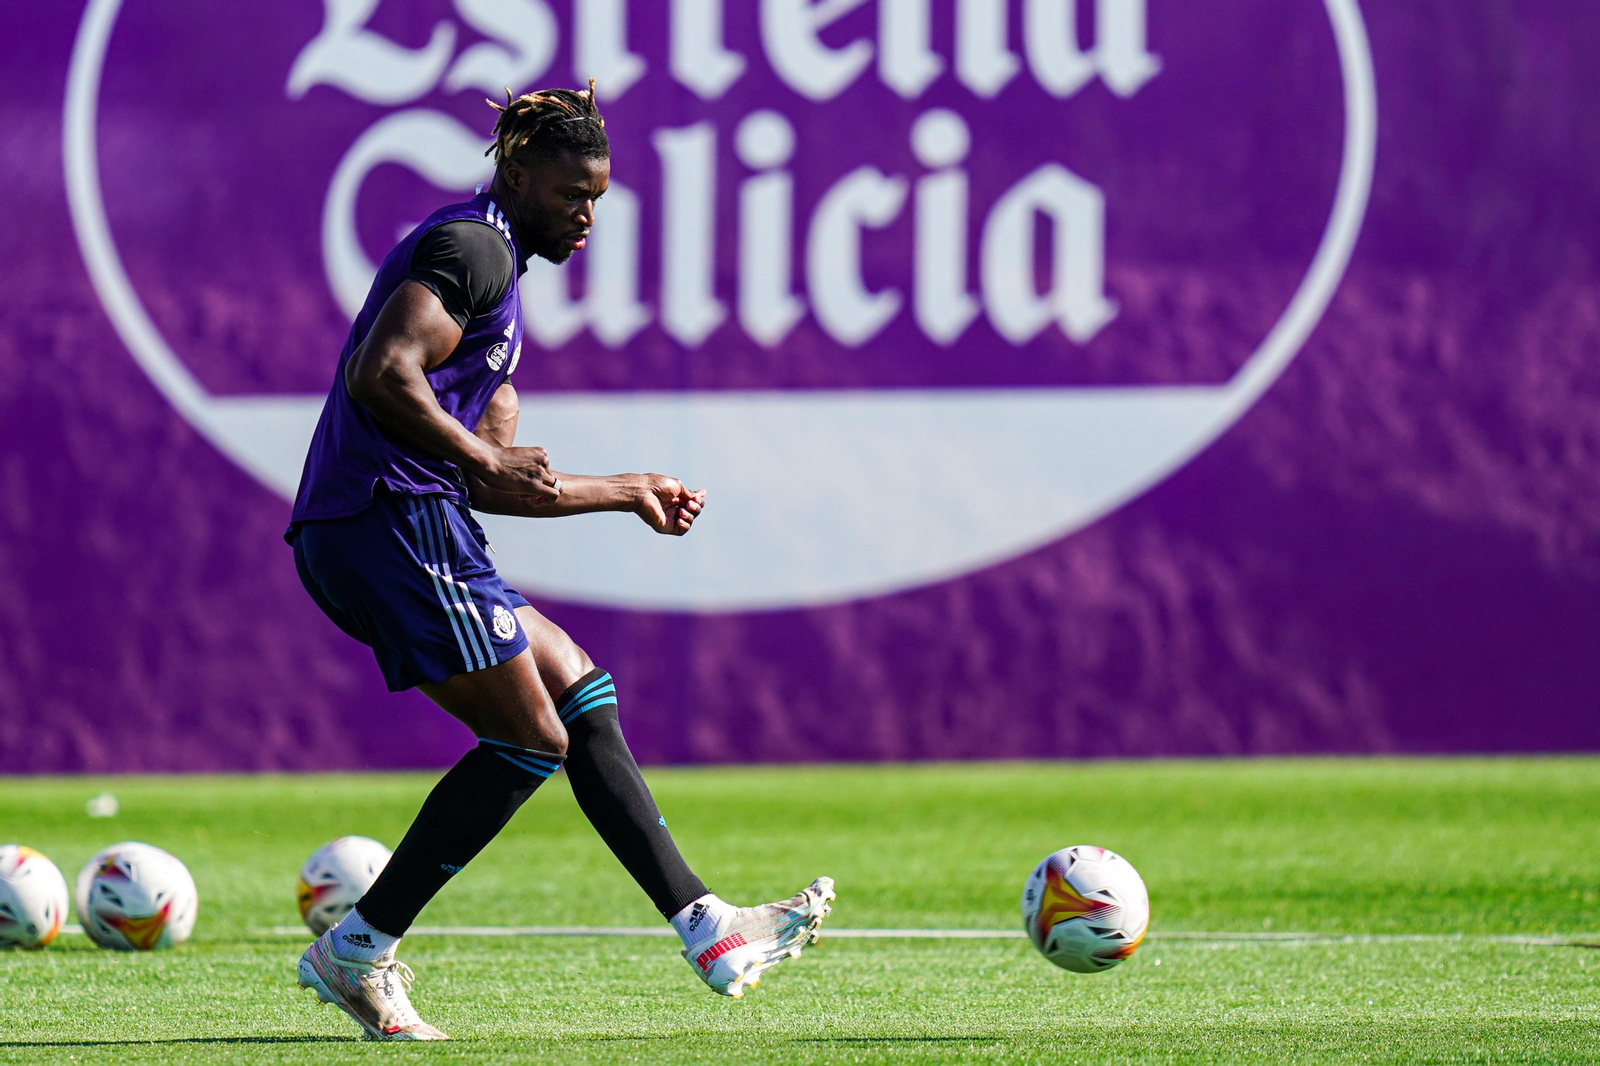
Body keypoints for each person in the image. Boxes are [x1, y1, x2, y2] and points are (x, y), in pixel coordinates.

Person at [284, 82, 833, 1042]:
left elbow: (495, 483)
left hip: (417, 521)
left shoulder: (494, 277)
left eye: (599, 198)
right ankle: (357, 949)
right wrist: (484, 452)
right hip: (384, 522)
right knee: (530, 742)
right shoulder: (475, 249)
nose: (586, 216)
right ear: (519, 173)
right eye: (573, 193)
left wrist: (626, 489)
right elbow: (384, 374)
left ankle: (710, 927)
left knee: (581, 693)